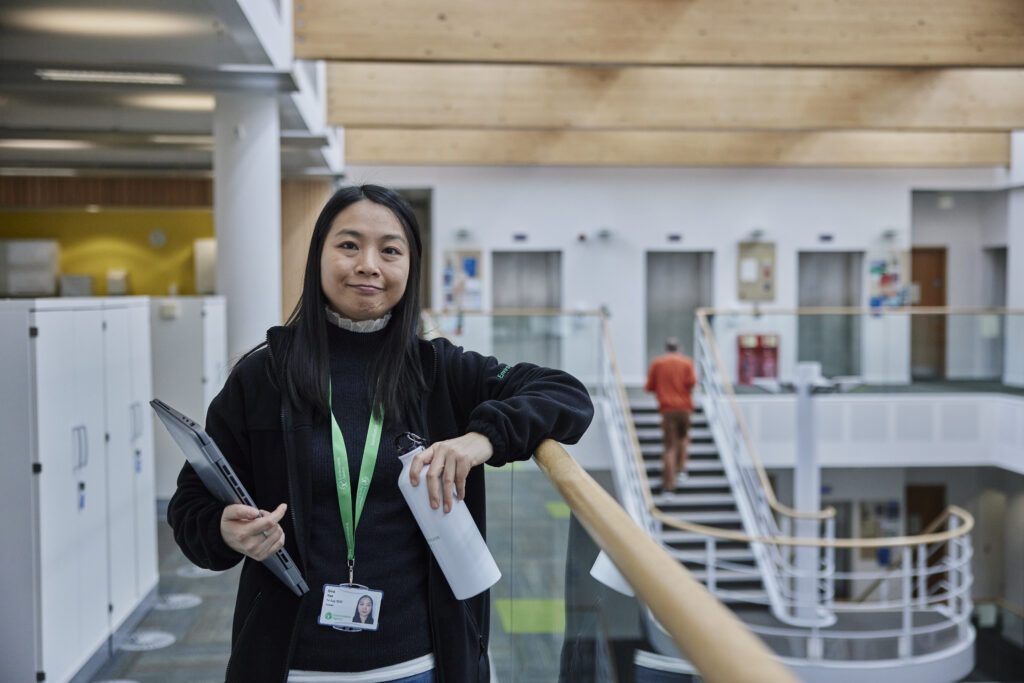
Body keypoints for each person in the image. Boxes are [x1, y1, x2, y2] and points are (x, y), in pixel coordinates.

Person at [167, 184, 593, 683]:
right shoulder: (264, 378)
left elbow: (567, 395)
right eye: (349, 245)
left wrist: (481, 439)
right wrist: (224, 529)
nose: (369, 264)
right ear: (318, 256)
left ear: (410, 268)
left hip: (423, 663)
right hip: (292, 663)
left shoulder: (441, 372)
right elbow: (190, 504)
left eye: (390, 250)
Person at [644, 337, 697, 493]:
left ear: (666, 348)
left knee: (670, 447)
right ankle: (681, 469)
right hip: (685, 408)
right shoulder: (687, 363)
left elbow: (649, 387)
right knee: (684, 438)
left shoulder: (658, 363)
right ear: (678, 348)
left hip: (667, 409)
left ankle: (668, 485)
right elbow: (692, 383)